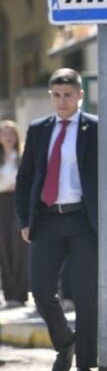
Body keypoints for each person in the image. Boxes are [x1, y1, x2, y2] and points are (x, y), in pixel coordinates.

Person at [15, 68, 107, 371]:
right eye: (56, 95)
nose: (62, 101)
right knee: (40, 290)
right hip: (47, 219)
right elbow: (25, 179)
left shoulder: (97, 128)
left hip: (85, 222)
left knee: (86, 297)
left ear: (80, 95)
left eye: (68, 95)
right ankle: (65, 341)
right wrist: (25, 220)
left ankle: (85, 369)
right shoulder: (39, 130)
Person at [0, 120, 28, 308]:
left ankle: (19, 293)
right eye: (4, 133)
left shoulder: (22, 157)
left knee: (19, 246)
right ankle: (9, 293)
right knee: (4, 246)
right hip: (2, 201)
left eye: (11, 133)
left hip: (18, 201)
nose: (8, 137)